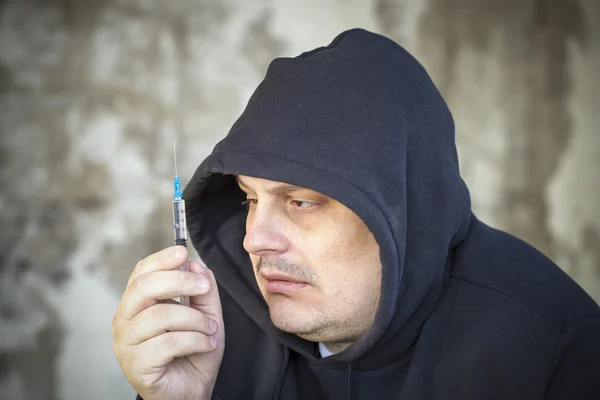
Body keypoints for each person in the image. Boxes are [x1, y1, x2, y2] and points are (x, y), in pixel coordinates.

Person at [111, 28, 600, 400]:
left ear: (405, 210)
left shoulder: (549, 348)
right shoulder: (213, 333)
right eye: (249, 199)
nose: (254, 240)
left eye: (301, 202)